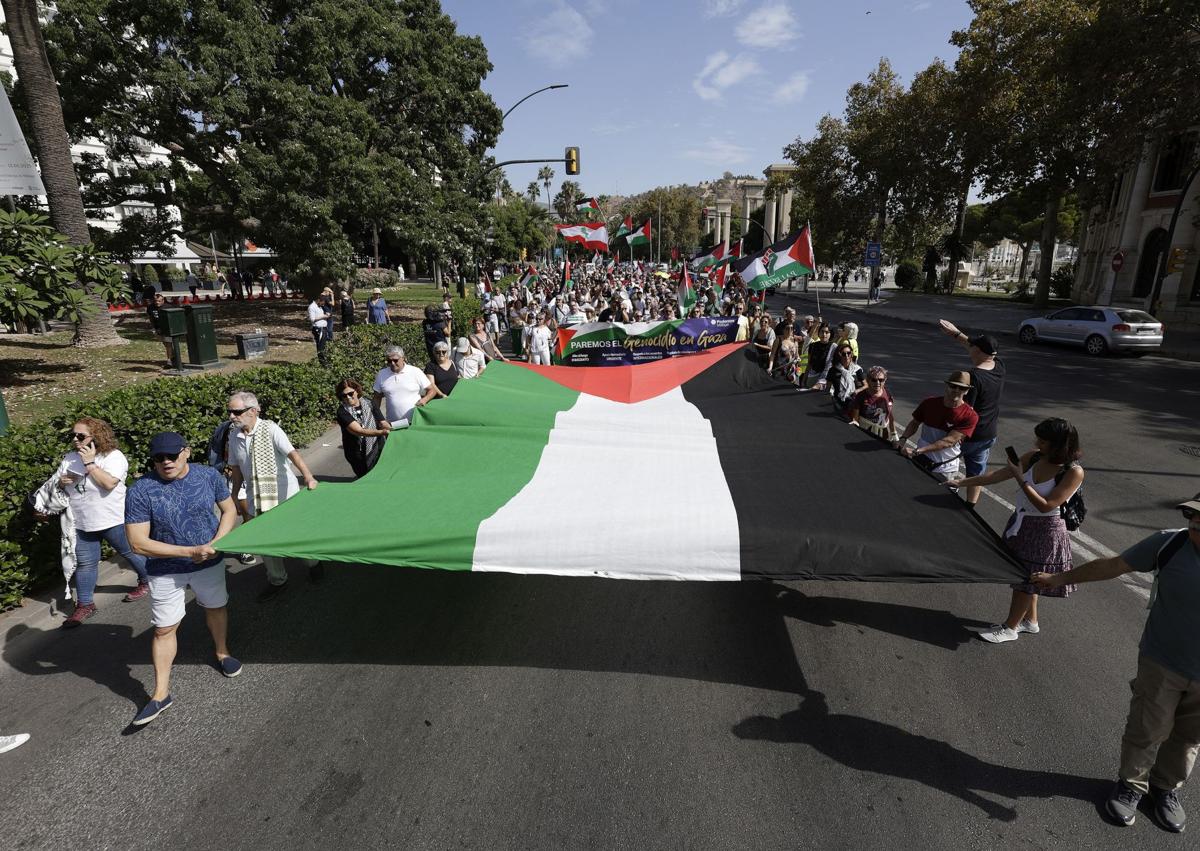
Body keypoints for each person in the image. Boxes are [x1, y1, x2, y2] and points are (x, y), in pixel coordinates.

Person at [1032, 493, 1200, 833]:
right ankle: (1131, 786)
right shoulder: (1169, 544)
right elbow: (1113, 566)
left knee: (1189, 737)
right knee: (1147, 729)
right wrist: (1058, 578)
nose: (1197, 528)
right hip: (1163, 661)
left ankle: (1165, 789)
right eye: (1195, 521)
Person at [124, 432, 240, 726]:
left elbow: (229, 510)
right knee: (164, 628)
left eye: (171, 456)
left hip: (209, 560)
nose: (165, 462)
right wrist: (189, 552)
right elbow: (138, 542)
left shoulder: (207, 476)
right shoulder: (141, 490)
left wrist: (217, 543)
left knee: (215, 607)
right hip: (166, 569)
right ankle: (161, 694)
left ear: (186, 452)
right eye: (158, 458)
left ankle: (223, 652)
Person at [950, 418, 1084, 644]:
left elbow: (1047, 505)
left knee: (1026, 581)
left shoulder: (1073, 472)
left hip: (1045, 530)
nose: (1037, 443)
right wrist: (960, 482)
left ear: (1060, 444)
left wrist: (1021, 479)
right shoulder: (1033, 457)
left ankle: (1010, 628)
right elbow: (995, 476)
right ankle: (1030, 622)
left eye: (1044, 441)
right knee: (1029, 577)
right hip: (1021, 522)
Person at [51, 417, 151, 627]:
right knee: (85, 563)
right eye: (73, 435)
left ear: (97, 436)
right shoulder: (70, 458)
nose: (76, 440)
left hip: (112, 518)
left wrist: (89, 464)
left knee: (130, 552)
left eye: (81, 436)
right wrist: (61, 482)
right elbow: (56, 485)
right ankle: (85, 605)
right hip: (80, 521)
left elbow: (108, 483)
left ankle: (148, 580)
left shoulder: (113, 457)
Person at [224, 391, 321, 601]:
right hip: (256, 498)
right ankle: (278, 579)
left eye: (236, 412)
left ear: (252, 411)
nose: (231, 416)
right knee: (265, 541)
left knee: (296, 537)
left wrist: (309, 477)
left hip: (285, 496)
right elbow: (236, 468)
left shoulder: (271, 429)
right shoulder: (234, 436)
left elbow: (292, 453)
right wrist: (233, 496)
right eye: (230, 411)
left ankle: (314, 564)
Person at [939, 323, 1006, 508]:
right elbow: (972, 344)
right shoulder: (999, 366)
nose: (970, 348)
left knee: (945, 466)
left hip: (969, 435)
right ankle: (970, 507)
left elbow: (965, 410)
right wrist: (956, 334)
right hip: (988, 434)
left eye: (973, 347)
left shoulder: (973, 376)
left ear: (977, 351)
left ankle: (944, 494)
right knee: (976, 474)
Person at [894, 371, 979, 482]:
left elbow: (948, 441)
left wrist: (917, 451)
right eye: (953, 386)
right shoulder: (929, 403)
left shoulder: (970, 415)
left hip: (944, 467)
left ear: (967, 391)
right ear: (947, 386)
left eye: (961, 388)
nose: (957, 390)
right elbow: (915, 423)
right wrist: (903, 438)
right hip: (920, 459)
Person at [335, 379, 391, 478]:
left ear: (357, 391)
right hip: (356, 453)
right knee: (365, 478)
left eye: (350, 393)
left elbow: (382, 422)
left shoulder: (370, 403)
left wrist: (393, 429)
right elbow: (359, 431)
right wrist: (383, 432)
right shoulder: (342, 412)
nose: (348, 397)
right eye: (344, 395)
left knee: (382, 474)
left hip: (377, 446)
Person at [372, 345, 432, 426]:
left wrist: (424, 400)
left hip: (415, 422)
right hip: (392, 424)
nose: (392, 363)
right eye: (389, 361)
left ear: (403, 358)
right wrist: (378, 419)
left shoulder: (415, 371)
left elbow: (432, 390)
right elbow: (376, 398)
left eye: (395, 360)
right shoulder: (382, 374)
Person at [848, 366, 896, 440]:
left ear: (885, 380)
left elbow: (890, 415)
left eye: (881, 380)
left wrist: (894, 433)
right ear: (868, 380)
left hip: (883, 434)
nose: (877, 383)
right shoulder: (861, 396)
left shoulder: (888, 394)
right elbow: (855, 418)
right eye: (874, 380)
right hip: (865, 433)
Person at [825, 345, 866, 416]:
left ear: (851, 354)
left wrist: (857, 391)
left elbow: (866, 385)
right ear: (839, 355)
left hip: (854, 402)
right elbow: (827, 389)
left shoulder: (857, 369)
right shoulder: (833, 370)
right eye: (844, 354)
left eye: (848, 353)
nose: (846, 356)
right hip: (838, 403)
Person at [145, 292, 174, 367]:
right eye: (155, 301)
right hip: (157, 329)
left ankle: (169, 361)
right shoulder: (150, 307)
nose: (157, 302)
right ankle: (173, 356)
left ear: (163, 301)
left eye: (159, 301)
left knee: (168, 344)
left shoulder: (168, 307)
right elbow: (150, 317)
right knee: (165, 343)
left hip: (167, 328)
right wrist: (154, 327)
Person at [802, 324, 835, 390]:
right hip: (812, 377)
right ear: (818, 333)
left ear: (830, 334)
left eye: (827, 332)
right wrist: (804, 380)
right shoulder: (813, 346)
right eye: (822, 331)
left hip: (826, 380)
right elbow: (809, 364)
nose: (824, 334)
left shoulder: (834, 347)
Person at [307, 292, 331, 365]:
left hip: (324, 328)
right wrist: (324, 316)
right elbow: (312, 319)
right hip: (318, 329)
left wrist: (326, 314)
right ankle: (323, 363)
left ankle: (324, 361)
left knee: (323, 345)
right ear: (318, 300)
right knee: (320, 347)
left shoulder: (319, 306)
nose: (323, 304)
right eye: (322, 303)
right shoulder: (312, 307)